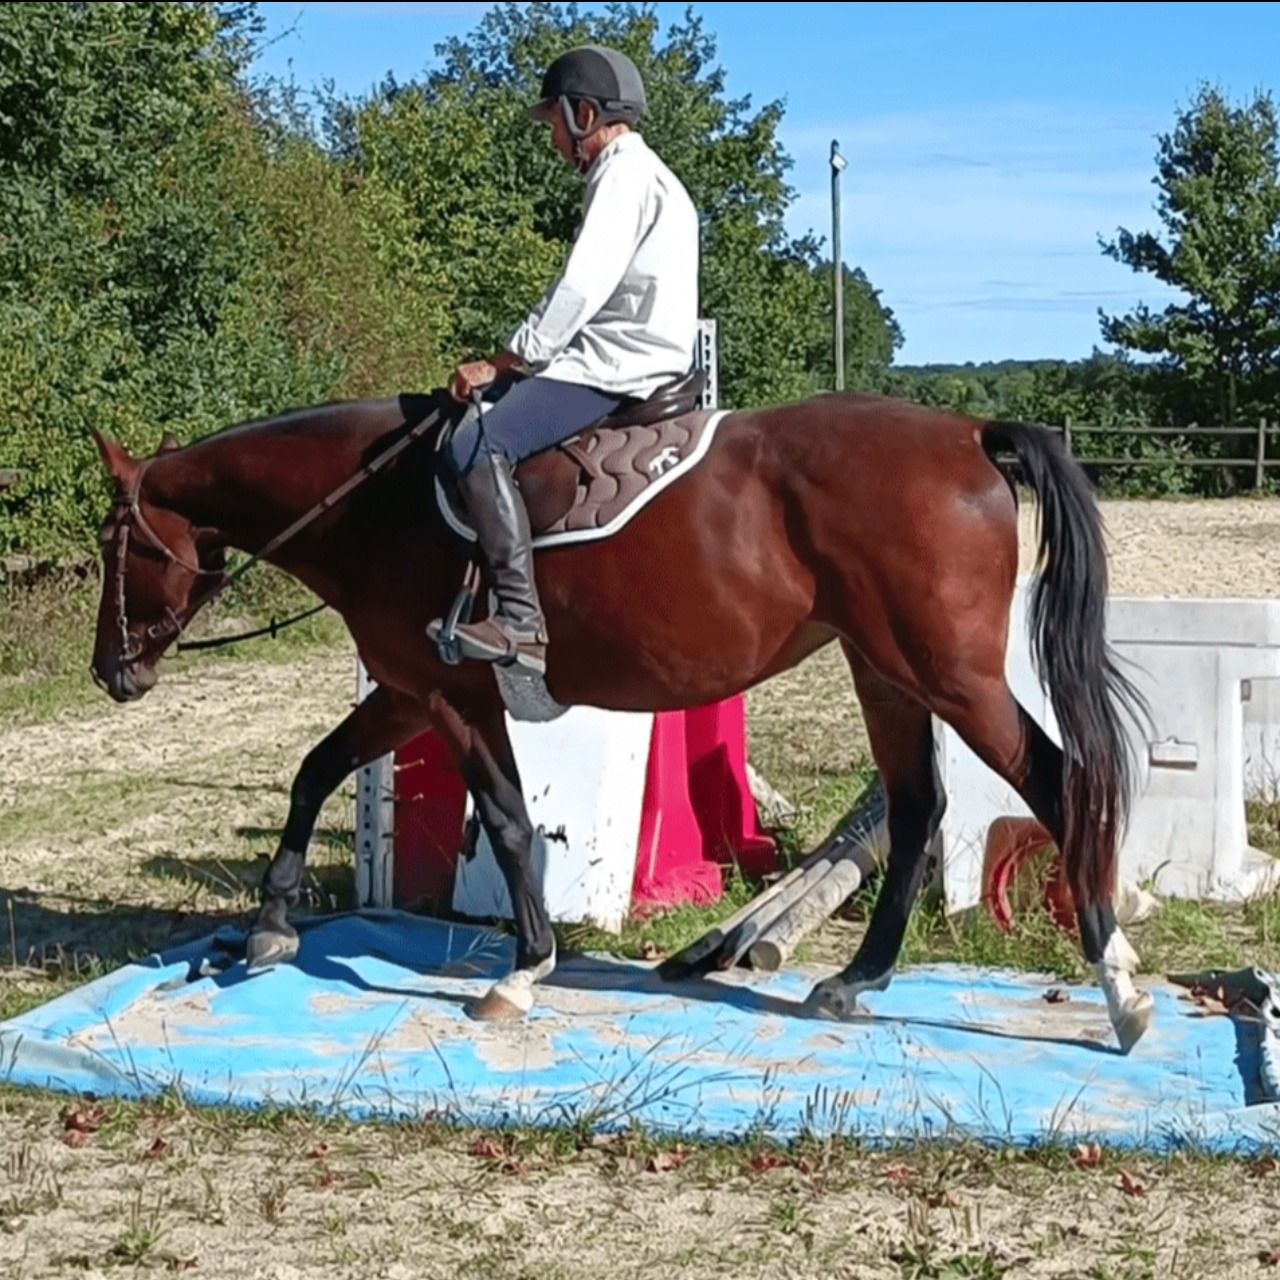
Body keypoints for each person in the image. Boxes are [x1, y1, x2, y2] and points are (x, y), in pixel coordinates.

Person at [428, 45, 700, 678]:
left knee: (476, 444)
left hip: (613, 365)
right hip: (649, 359)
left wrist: (508, 360)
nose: (552, 138)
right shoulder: (656, 177)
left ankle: (520, 618)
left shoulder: (621, 176)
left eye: (555, 122)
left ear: (584, 114)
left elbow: (581, 287)